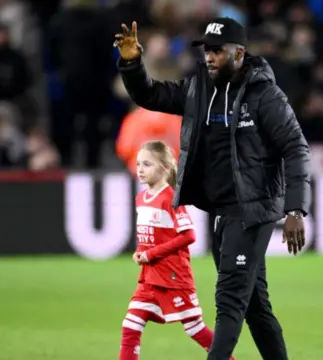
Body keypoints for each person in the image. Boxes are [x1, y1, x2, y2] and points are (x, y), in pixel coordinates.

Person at [114, 17, 311, 360]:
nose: (209, 57)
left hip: (253, 210)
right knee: (254, 306)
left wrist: (294, 210)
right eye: (206, 50)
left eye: (218, 51)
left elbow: (295, 147)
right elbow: (149, 94)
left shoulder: (265, 95)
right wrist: (132, 63)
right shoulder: (197, 88)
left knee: (230, 299)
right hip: (220, 210)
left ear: (239, 53)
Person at [120, 140, 234, 360]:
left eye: (147, 164)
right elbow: (151, 236)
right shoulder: (140, 199)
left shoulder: (170, 199)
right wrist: (140, 251)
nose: (140, 169)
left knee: (195, 328)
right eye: (138, 164)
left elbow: (189, 235)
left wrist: (151, 254)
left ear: (164, 168)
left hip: (173, 278)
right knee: (130, 326)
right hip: (149, 278)